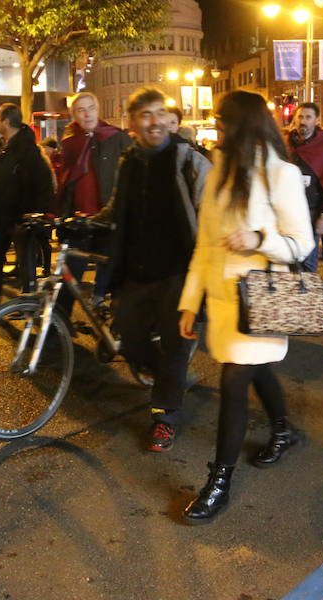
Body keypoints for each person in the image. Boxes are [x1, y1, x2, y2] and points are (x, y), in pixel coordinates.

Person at [178, 91, 315, 524]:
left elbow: (301, 244)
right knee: (258, 369)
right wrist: (189, 302)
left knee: (235, 382)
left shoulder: (281, 173)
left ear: (244, 124)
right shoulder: (219, 172)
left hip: (261, 300)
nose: (217, 128)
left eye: (223, 121)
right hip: (223, 303)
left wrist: (259, 239)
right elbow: (203, 245)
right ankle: (283, 428)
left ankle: (219, 481)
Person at [95, 87, 211, 452]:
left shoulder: (187, 160)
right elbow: (116, 207)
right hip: (136, 271)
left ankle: (165, 416)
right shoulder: (129, 161)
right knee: (128, 338)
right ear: (132, 123)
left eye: (160, 112)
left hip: (180, 272)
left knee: (176, 345)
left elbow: (210, 211)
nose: (155, 121)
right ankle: (170, 379)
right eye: (146, 114)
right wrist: (86, 223)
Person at [0, 103, 54, 313]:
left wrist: (32, 216)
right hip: (0, 219)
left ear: (7, 121)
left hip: (21, 219)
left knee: (26, 263)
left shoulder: (28, 150)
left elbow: (42, 184)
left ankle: (28, 306)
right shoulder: (0, 146)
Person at [56, 92, 132, 314]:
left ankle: (110, 324)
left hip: (107, 219)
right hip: (79, 220)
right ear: (74, 114)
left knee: (112, 271)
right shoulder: (70, 143)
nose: (87, 113)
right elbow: (65, 181)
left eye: (91, 108)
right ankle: (57, 326)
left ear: (98, 111)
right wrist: (62, 214)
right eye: (81, 110)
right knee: (69, 275)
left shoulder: (116, 138)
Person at [286, 103, 323, 276]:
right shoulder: (287, 143)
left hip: (312, 210)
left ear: (316, 120)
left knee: (308, 259)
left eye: (308, 117)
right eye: (300, 117)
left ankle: (308, 298)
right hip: (288, 210)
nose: (303, 121)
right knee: (288, 259)